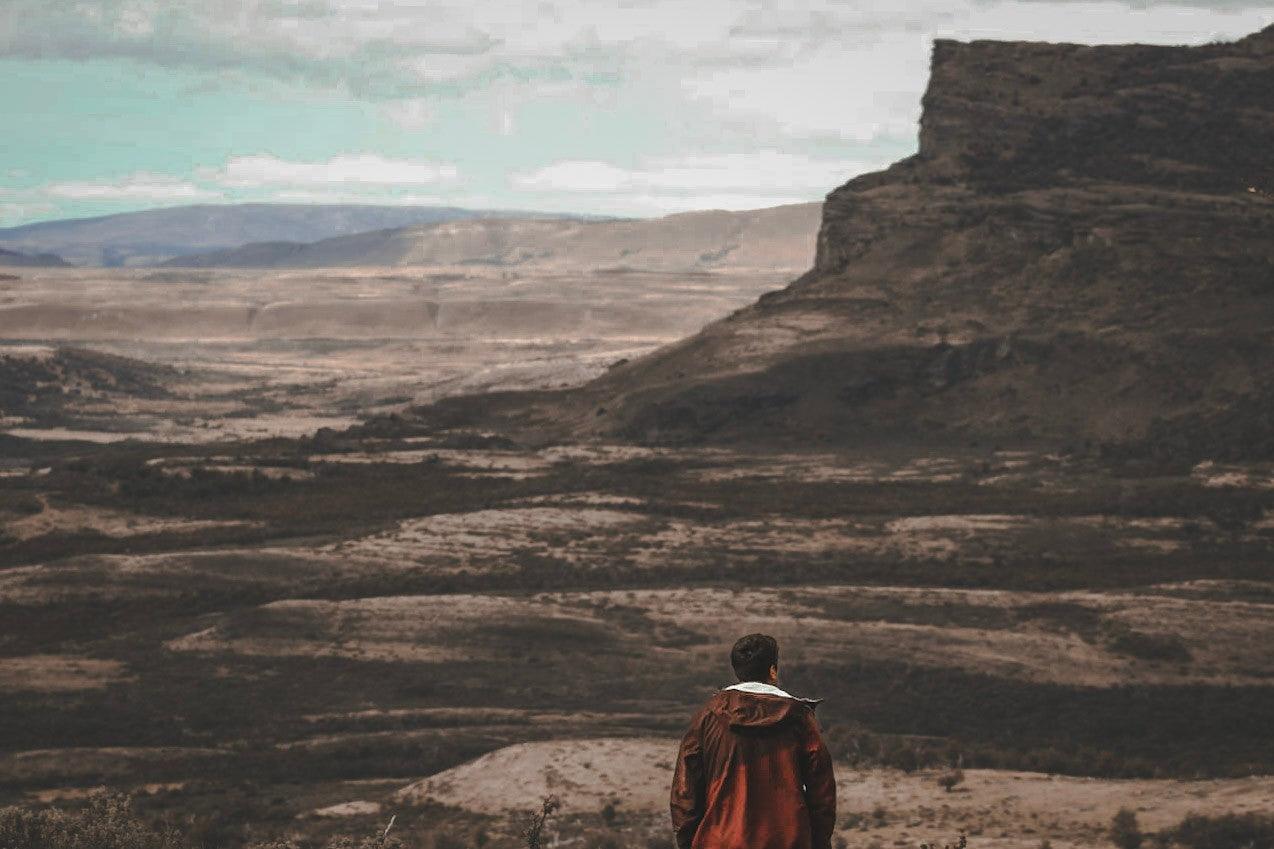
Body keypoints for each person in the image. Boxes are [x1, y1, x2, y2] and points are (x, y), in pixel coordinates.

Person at [670, 633, 837, 849]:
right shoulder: (799, 718)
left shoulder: (708, 716)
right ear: (772, 671)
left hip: (720, 841)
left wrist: (688, 843)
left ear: (737, 671)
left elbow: (685, 793)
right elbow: (822, 794)